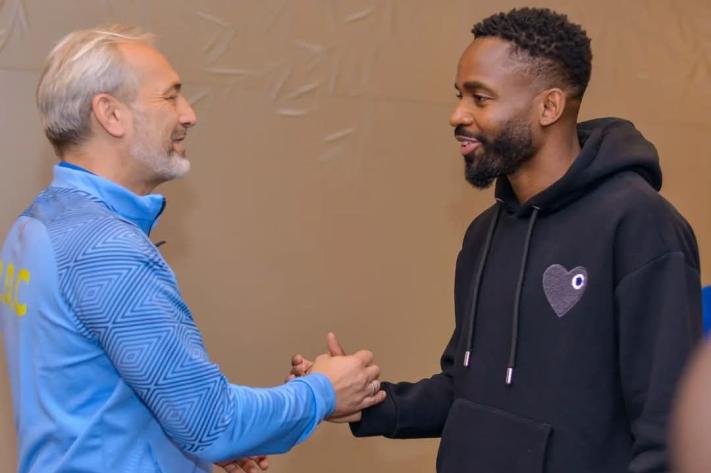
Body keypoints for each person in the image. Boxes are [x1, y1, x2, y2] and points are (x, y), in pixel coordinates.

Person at [291, 7, 702, 473]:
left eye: (480, 98)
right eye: (459, 95)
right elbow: (466, 390)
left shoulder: (641, 225)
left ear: (549, 107)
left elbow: (670, 429)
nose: (457, 114)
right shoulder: (484, 234)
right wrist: (365, 403)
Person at [0, 25, 385, 473]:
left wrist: (179, 447)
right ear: (111, 114)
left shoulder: (36, 224)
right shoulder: (105, 248)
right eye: (171, 96)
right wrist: (324, 391)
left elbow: (88, 394)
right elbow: (213, 424)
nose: (189, 115)